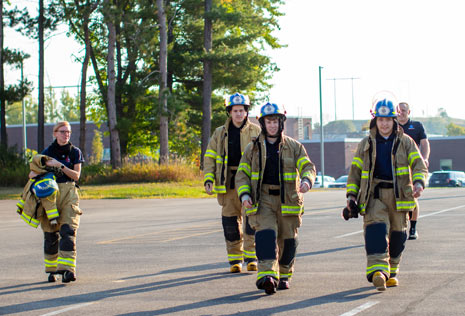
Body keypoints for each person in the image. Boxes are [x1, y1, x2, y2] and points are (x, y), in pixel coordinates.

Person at [345, 98, 428, 291]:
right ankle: (378, 272)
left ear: (395, 121)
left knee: (398, 236)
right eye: (381, 119)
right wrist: (351, 196)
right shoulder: (365, 143)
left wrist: (418, 183)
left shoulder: (406, 142)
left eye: (388, 120)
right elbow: (355, 172)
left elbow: (418, 165)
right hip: (373, 196)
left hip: (400, 196)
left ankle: (392, 270)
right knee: (375, 231)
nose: (384, 124)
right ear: (375, 120)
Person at [235, 102, 316, 295]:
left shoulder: (294, 146)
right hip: (262, 200)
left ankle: (285, 275)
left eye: (276, 121)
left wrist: (307, 181)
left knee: (288, 241)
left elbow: (308, 166)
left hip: (288, 200)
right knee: (265, 236)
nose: (272, 125)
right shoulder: (252, 148)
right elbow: (242, 174)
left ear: (282, 123)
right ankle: (267, 276)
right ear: (263, 123)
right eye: (269, 121)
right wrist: (245, 194)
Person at [203, 93, 261, 273]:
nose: (238, 114)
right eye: (235, 111)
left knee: (252, 221)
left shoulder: (257, 131)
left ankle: (252, 258)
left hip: (250, 185)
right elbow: (210, 156)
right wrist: (208, 178)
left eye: (241, 110)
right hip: (227, 184)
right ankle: (235, 260)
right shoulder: (220, 133)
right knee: (230, 223)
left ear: (246, 112)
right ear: (229, 112)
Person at [28, 121, 84, 283]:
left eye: (68, 132)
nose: (66, 134)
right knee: (51, 235)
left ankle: (68, 270)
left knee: (68, 230)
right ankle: (52, 270)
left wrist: (60, 166)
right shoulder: (47, 152)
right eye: (62, 132)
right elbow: (31, 174)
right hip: (50, 195)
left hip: (69, 192)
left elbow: (76, 176)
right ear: (55, 133)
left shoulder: (75, 152)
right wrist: (44, 167)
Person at [397, 102, 430, 240]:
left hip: (411, 167)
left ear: (409, 112)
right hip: (396, 167)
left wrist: (424, 159)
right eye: (399, 110)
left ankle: (413, 228)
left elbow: (424, 143)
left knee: (412, 196)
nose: (401, 112)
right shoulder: (391, 125)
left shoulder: (416, 126)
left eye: (404, 110)